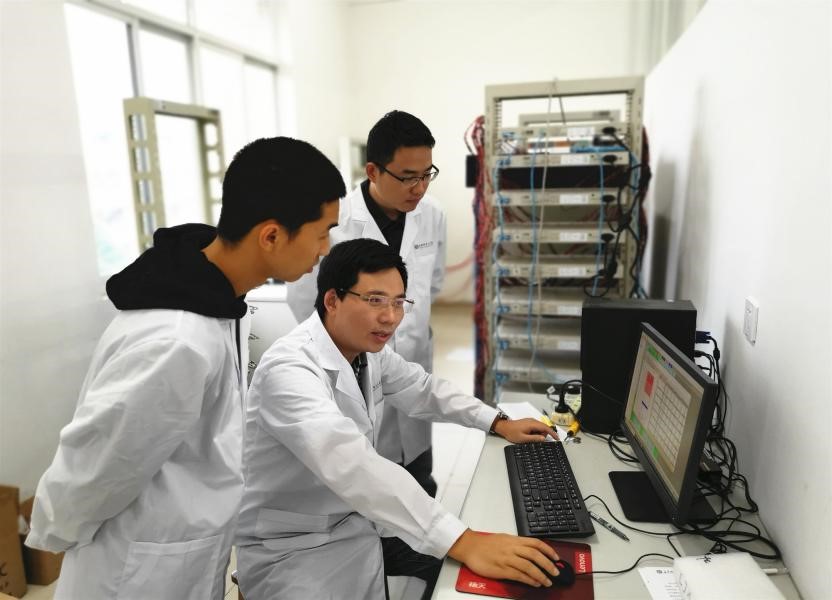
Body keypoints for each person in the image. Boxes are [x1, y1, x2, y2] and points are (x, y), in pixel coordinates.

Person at [25, 137, 345, 600]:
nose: (325, 248)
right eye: (322, 232)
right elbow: (100, 465)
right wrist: (56, 530)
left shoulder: (219, 301)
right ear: (272, 236)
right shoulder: (176, 339)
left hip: (180, 552)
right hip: (134, 575)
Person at [236, 239, 561, 600]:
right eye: (375, 300)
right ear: (332, 300)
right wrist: (463, 541)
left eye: (398, 302)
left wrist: (496, 421)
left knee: (487, 573)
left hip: (357, 520)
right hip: (295, 544)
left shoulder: (366, 351)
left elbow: (422, 389)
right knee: (462, 554)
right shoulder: (288, 371)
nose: (390, 317)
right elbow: (351, 462)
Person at [286, 110, 446, 498]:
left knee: (418, 480)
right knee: (365, 485)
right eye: (408, 177)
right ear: (373, 171)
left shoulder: (432, 216)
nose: (420, 187)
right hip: (352, 371)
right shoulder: (334, 222)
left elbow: (432, 284)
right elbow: (303, 300)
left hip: (411, 362)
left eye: (427, 174)